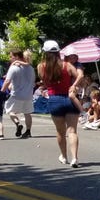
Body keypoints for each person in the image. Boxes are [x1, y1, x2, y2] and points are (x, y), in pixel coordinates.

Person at [36, 40, 84, 168]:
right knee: (72, 131)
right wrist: (73, 85)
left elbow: (45, 83)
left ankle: (64, 156)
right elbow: (80, 76)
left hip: (54, 99)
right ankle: (75, 158)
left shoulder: (41, 66)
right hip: (69, 98)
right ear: (58, 52)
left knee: (60, 132)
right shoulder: (67, 65)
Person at [2, 48, 36, 138]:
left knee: (9, 110)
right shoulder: (31, 69)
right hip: (28, 95)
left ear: (16, 57)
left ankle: (17, 123)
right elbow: (33, 82)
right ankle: (28, 131)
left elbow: (7, 81)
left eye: (11, 56)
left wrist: (1, 91)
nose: (10, 58)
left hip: (16, 94)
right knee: (27, 113)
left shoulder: (14, 68)